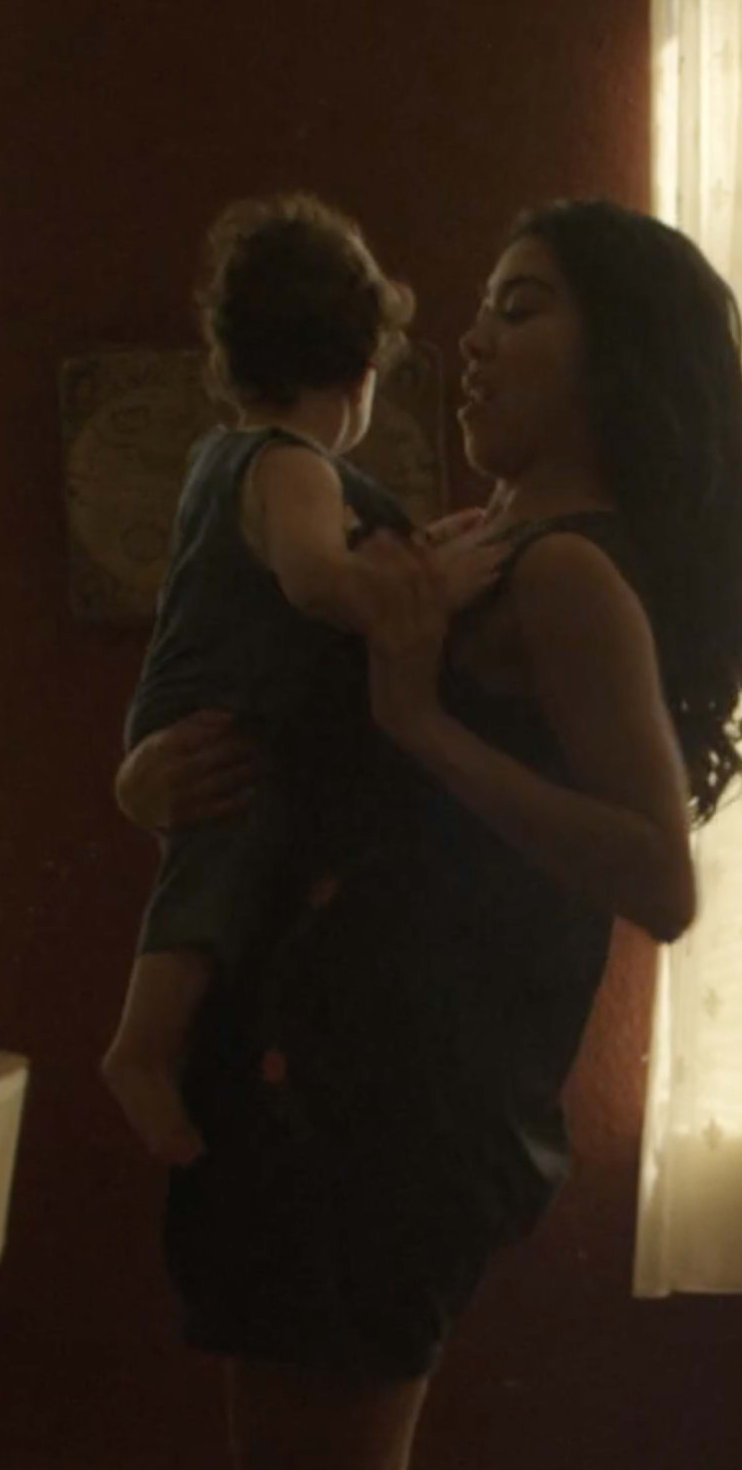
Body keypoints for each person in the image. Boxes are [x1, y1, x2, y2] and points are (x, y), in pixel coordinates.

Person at [109, 199, 742, 1470]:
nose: (476, 340)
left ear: (613, 351)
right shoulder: (477, 549)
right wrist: (147, 772)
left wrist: (412, 714)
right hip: (372, 1080)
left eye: (522, 307)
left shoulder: (565, 574)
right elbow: (266, 743)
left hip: (372, 1099)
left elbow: (657, 874)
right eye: (475, 308)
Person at [100, 195, 481, 1166]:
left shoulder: (227, 458)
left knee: (209, 879)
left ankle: (148, 1049)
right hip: (225, 719)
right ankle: (140, 1053)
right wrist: (414, 594)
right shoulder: (294, 467)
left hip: (200, 707)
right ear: (357, 371)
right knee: (212, 877)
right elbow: (318, 582)